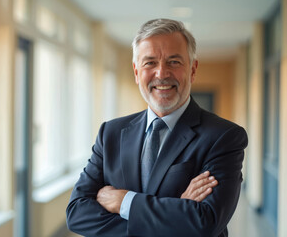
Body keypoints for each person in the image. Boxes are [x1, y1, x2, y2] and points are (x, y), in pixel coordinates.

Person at [66, 18, 248, 237]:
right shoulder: (111, 133)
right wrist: (176, 213)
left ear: (192, 69)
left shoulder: (224, 137)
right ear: (136, 71)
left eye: (174, 62)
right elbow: (77, 213)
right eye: (150, 62)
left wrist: (125, 202)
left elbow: (205, 222)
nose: (161, 73)